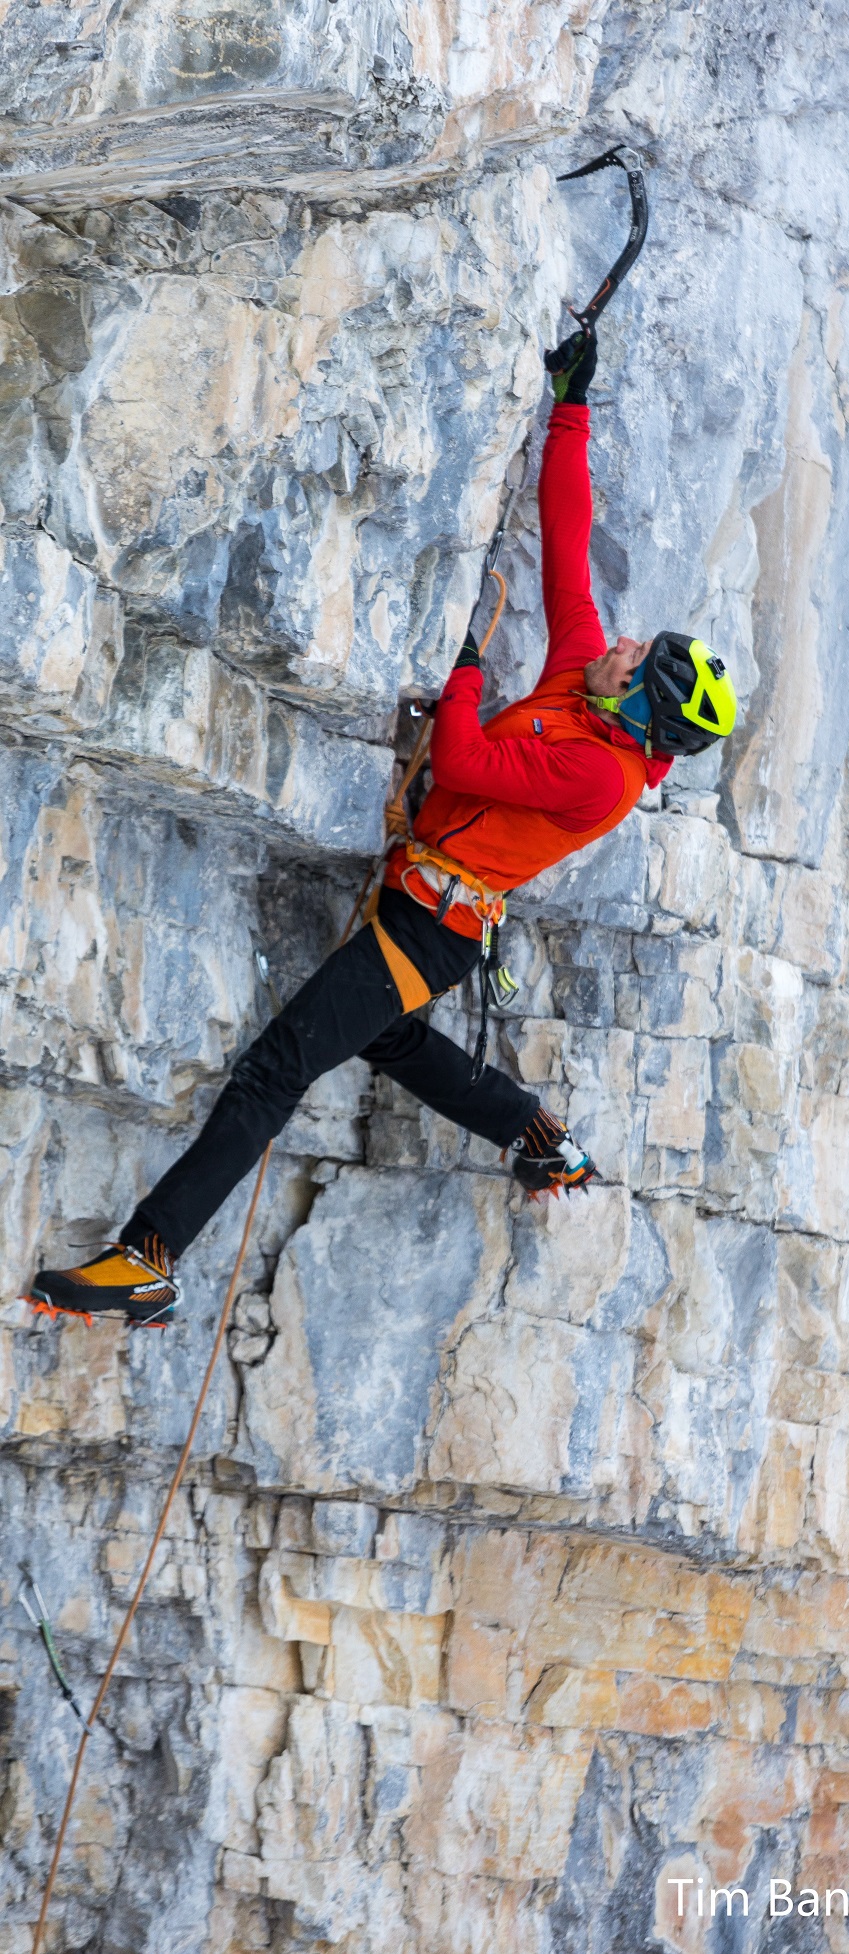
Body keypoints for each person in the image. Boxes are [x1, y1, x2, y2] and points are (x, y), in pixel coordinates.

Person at [27, 328, 739, 1327]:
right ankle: (533, 1132)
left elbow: (466, 762)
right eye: (635, 643)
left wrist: (464, 676)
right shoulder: (584, 685)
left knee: (280, 1064)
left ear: (641, 710)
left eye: (637, 658)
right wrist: (573, 403)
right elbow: (568, 548)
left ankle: (147, 1258)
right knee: (388, 1038)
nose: (619, 641)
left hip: (432, 932)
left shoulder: (600, 775)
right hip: (421, 905)